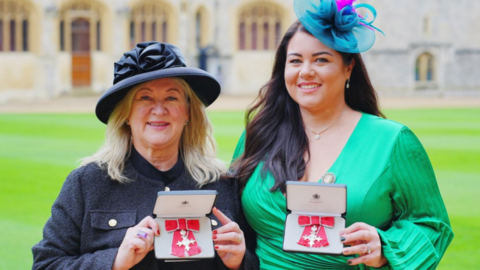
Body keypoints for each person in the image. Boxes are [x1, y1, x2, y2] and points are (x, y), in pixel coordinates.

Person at [230, 0, 453, 269]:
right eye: (295, 61)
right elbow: (232, 216)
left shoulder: (393, 141)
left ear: (349, 67)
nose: (306, 71)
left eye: (321, 59)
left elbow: (432, 224)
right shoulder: (258, 134)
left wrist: (384, 246)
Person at [32, 42, 258, 270]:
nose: (159, 110)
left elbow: (258, 258)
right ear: (125, 114)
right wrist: (115, 261)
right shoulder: (86, 184)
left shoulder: (222, 183)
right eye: (145, 98)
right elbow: (46, 264)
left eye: (172, 98)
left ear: (188, 112)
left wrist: (241, 262)